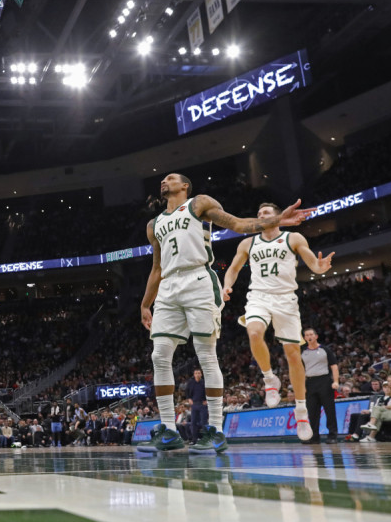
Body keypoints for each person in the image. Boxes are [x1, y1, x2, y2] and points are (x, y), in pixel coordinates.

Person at [138, 173, 309, 454]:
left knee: (205, 353)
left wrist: (275, 221)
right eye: (163, 179)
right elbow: (156, 268)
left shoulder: (198, 204)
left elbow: (237, 223)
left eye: (170, 178)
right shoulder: (153, 224)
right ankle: (168, 431)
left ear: (184, 186)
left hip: (197, 279)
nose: (163, 181)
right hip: (168, 287)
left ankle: (216, 430)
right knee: (159, 355)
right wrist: (146, 304)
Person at [222, 202, 334, 440]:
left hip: (285, 299)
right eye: (259, 212)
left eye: (266, 212)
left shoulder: (293, 237)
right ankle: (269, 378)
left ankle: (301, 410)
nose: (261, 215)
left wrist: (320, 268)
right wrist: (226, 285)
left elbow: (312, 262)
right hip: (259, 296)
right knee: (253, 332)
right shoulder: (248, 243)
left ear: (277, 216)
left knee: (293, 355)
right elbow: (233, 268)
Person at [301, 327, 340, 443]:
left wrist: (336, 381)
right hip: (310, 382)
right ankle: (314, 437)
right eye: (307, 335)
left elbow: (334, 366)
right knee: (312, 412)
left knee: (329, 410)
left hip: (325, 381)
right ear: (304, 338)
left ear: (316, 336)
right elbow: (301, 371)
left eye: (311, 334)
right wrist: (302, 386)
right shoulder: (302, 352)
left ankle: (332, 436)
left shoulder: (325, 350)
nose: (309, 337)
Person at [185, 369, 207, 443]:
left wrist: (207, 400)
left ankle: (205, 439)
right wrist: (189, 399)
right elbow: (187, 391)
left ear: (201, 374)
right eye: (196, 373)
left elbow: (209, 391)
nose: (197, 374)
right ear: (194, 375)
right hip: (194, 404)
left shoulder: (204, 382)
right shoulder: (191, 383)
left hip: (202, 404)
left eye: (199, 373)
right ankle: (194, 440)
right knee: (193, 422)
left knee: (204, 422)